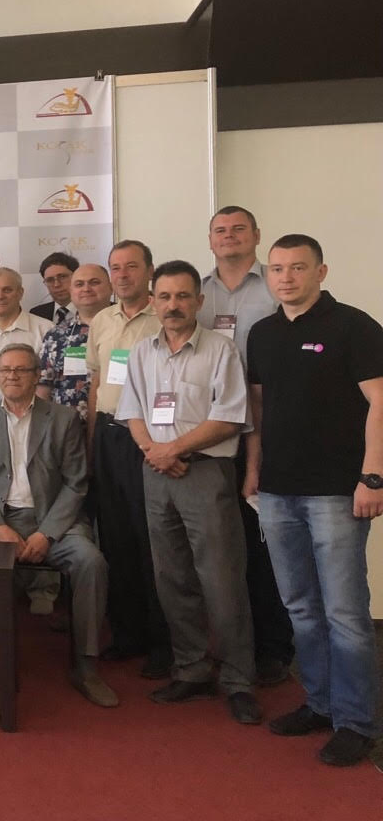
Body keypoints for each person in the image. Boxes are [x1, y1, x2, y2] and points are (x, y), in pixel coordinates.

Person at [245, 234, 382, 766]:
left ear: (321, 272)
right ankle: (320, 704)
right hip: (277, 493)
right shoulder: (262, 334)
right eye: (277, 268)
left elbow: (380, 402)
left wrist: (372, 477)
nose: (286, 277)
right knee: (301, 607)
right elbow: (259, 411)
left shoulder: (354, 326)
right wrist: (253, 472)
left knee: (345, 612)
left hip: (336, 491)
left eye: (297, 267)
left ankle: (356, 721)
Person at [116, 260, 261, 725]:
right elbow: (132, 411)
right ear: (153, 301)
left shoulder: (220, 349)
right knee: (172, 577)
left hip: (205, 472)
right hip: (156, 473)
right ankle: (192, 670)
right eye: (164, 297)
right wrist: (154, 452)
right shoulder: (142, 352)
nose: (173, 305)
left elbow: (230, 416)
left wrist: (172, 450)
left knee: (222, 579)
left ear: (199, 301)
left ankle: (238, 680)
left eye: (182, 296)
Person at [0, 343, 116, 708]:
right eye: (5, 370)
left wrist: (47, 534)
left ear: (36, 376)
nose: (12, 376)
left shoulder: (63, 418)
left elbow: (76, 483)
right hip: (0, 522)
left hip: (54, 520)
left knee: (91, 562)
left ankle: (86, 667)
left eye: (21, 370)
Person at [198, 205, 294, 686]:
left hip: (265, 430)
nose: (229, 236)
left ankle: (273, 648)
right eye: (220, 230)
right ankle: (227, 647)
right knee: (219, 550)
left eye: (239, 229)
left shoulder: (275, 286)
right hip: (209, 436)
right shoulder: (197, 292)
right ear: (209, 240)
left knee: (264, 545)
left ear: (257, 235)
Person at [84, 240, 170, 676]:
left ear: (149, 271)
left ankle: (163, 642)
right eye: (115, 268)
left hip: (150, 439)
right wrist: (91, 442)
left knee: (152, 540)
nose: (122, 275)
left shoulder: (165, 316)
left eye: (131, 267)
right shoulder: (102, 320)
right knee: (115, 538)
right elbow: (96, 384)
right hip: (108, 436)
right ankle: (126, 633)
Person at [37, 263, 112, 422]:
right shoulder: (55, 335)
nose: (86, 289)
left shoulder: (126, 329)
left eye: (94, 282)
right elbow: (43, 388)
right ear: (71, 291)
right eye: (79, 284)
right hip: (67, 428)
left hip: (118, 427)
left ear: (111, 287)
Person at [0, 267, 51, 409]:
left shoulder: (45, 330)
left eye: (7, 290)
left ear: (20, 293)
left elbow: (49, 381)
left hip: (30, 417)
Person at [30, 251, 79, 324]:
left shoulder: (93, 311)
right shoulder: (36, 314)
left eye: (62, 277)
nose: (57, 284)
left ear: (77, 276)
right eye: (50, 280)